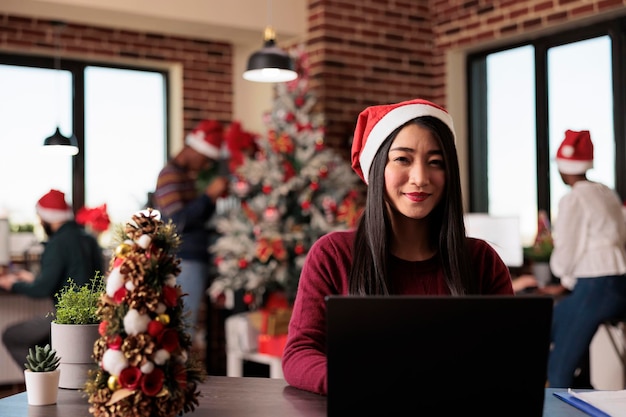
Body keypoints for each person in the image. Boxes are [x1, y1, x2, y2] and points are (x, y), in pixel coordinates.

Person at [281, 98, 514, 395]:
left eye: (436, 162)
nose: (420, 178)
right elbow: (300, 352)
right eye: (403, 159)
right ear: (378, 168)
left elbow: (509, 358)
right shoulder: (333, 254)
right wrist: (359, 382)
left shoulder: (482, 260)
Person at [547, 129, 626, 388]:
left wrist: (561, 275)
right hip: (618, 285)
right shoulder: (606, 192)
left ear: (564, 167)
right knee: (556, 322)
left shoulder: (573, 199)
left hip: (595, 287)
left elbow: (568, 249)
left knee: (558, 370)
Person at [0, 189, 104, 368]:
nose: (40, 222)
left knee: (12, 335)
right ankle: (53, 378)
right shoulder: (89, 239)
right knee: (42, 343)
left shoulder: (57, 243)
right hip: (97, 318)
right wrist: (34, 279)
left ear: (49, 218)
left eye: (40, 217)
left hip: (68, 320)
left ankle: (45, 382)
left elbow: (42, 289)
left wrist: (13, 284)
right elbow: (74, 276)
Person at [152, 120, 229, 341]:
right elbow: (177, 223)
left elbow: (195, 219)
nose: (205, 166)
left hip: (190, 259)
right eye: (206, 159)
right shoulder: (169, 175)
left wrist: (211, 201)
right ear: (195, 150)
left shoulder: (184, 177)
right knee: (183, 326)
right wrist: (207, 196)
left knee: (185, 325)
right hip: (185, 260)